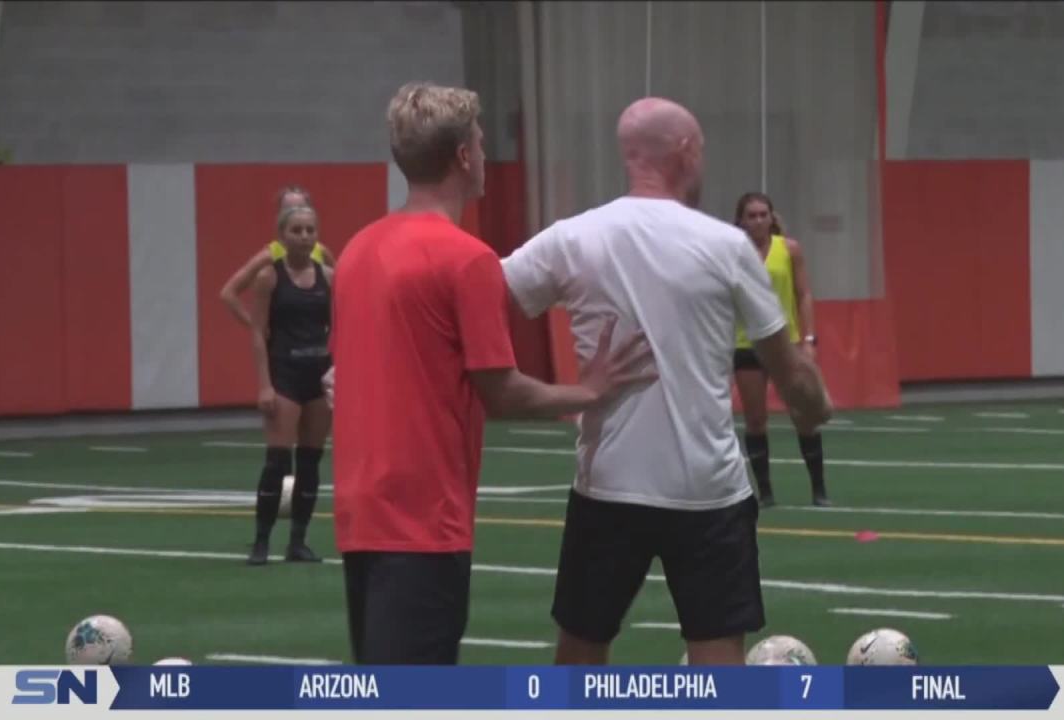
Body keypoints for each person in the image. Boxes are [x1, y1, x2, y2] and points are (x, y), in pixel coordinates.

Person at [329, 82, 655, 666]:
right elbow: (500, 390)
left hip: (361, 513)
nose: (484, 154)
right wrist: (590, 390)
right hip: (426, 520)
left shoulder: (356, 250)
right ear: (462, 157)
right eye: (480, 143)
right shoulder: (467, 259)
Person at [500, 97, 832, 666]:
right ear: (684, 152)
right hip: (708, 490)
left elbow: (475, 302)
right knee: (718, 663)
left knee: (579, 654)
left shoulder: (573, 238)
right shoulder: (726, 246)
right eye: (700, 150)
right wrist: (817, 407)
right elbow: (788, 369)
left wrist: (562, 393)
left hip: (608, 484)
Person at [244, 203, 333, 565]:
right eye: (296, 231)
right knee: (278, 463)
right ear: (283, 236)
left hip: (318, 375)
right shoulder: (269, 277)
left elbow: (343, 326)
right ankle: (261, 541)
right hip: (285, 375)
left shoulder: (329, 275)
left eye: (310, 230)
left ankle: (298, 540)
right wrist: (264, 385)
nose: (304, 237)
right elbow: (256, 332)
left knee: (310, 461)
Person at [732, 192, 830, 508]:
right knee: (756, 419)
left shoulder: (788, 249)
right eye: (752, 215)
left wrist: (809, 340)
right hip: (746, 344)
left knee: (802, 413)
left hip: (784, 343)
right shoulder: (732, 251)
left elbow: (803, 294)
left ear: (772, 217)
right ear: (742, 220)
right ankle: (766, 493)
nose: (759, 220)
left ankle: (819, 490)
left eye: (763, 214)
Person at [219, 185, 337, 329]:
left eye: (301, 208)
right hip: (283, 344)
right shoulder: (269, 255)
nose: (296, 213)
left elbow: (341, 293)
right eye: (289, 209)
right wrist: (256, 327)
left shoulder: (322, 252)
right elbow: (229, 293)